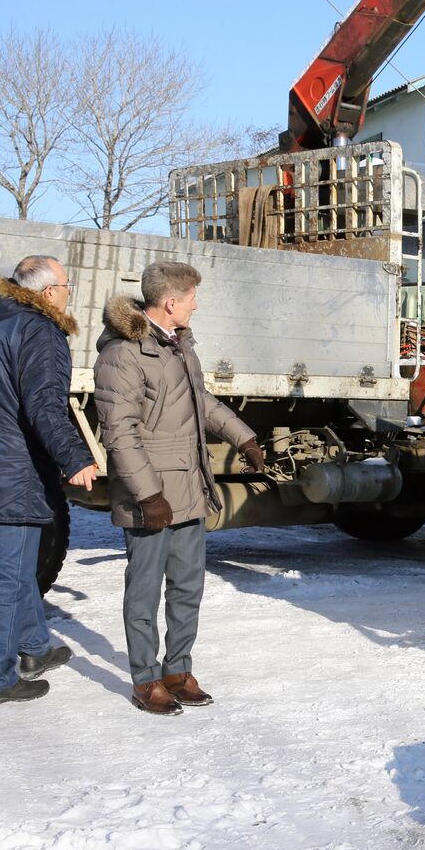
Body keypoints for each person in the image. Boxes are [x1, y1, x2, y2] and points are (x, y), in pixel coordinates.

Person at [94, 261, 266, 716]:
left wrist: (242, 435)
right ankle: (145, 679)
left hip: (189, 485)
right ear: (171, 303)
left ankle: (177, 669)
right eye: (192, 297)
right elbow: (120, 432)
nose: (196, 304)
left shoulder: (179, 346)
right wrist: (149, 495)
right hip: (149, 495)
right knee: (145, 592)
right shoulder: (122, 353)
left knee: (188, 586)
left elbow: (199, 401)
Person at [0, 256, 97, 706]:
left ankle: (35, 648)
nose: (70, 292)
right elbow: (44, 406)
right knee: (10, 575)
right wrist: (76, 456)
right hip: (14, 466)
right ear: (49, 291)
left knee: (17, 563)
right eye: (67, 285)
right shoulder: (39, 330)